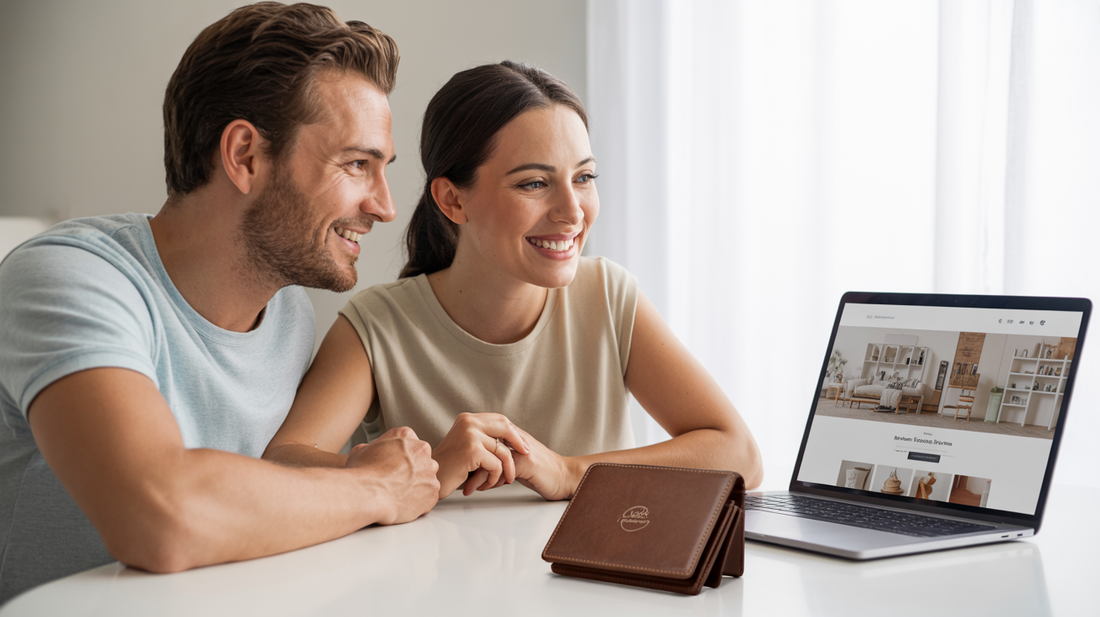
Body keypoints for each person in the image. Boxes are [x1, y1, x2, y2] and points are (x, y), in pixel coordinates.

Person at [0, 3, 439, 604]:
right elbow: (159, 515)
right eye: (357, 164)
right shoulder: (69, 278)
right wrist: (379, 487)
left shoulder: (286, 313)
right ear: (245, 156)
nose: (384, 207)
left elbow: (264, 503)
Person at [264, 61, 763, 501]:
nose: (572, 212)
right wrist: (429, 470)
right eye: (534, 183)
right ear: (453, 200)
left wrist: (569, 472)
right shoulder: (376, 327)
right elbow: (284, 462)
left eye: (584, 178)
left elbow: (740, 455)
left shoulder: (609, 298)